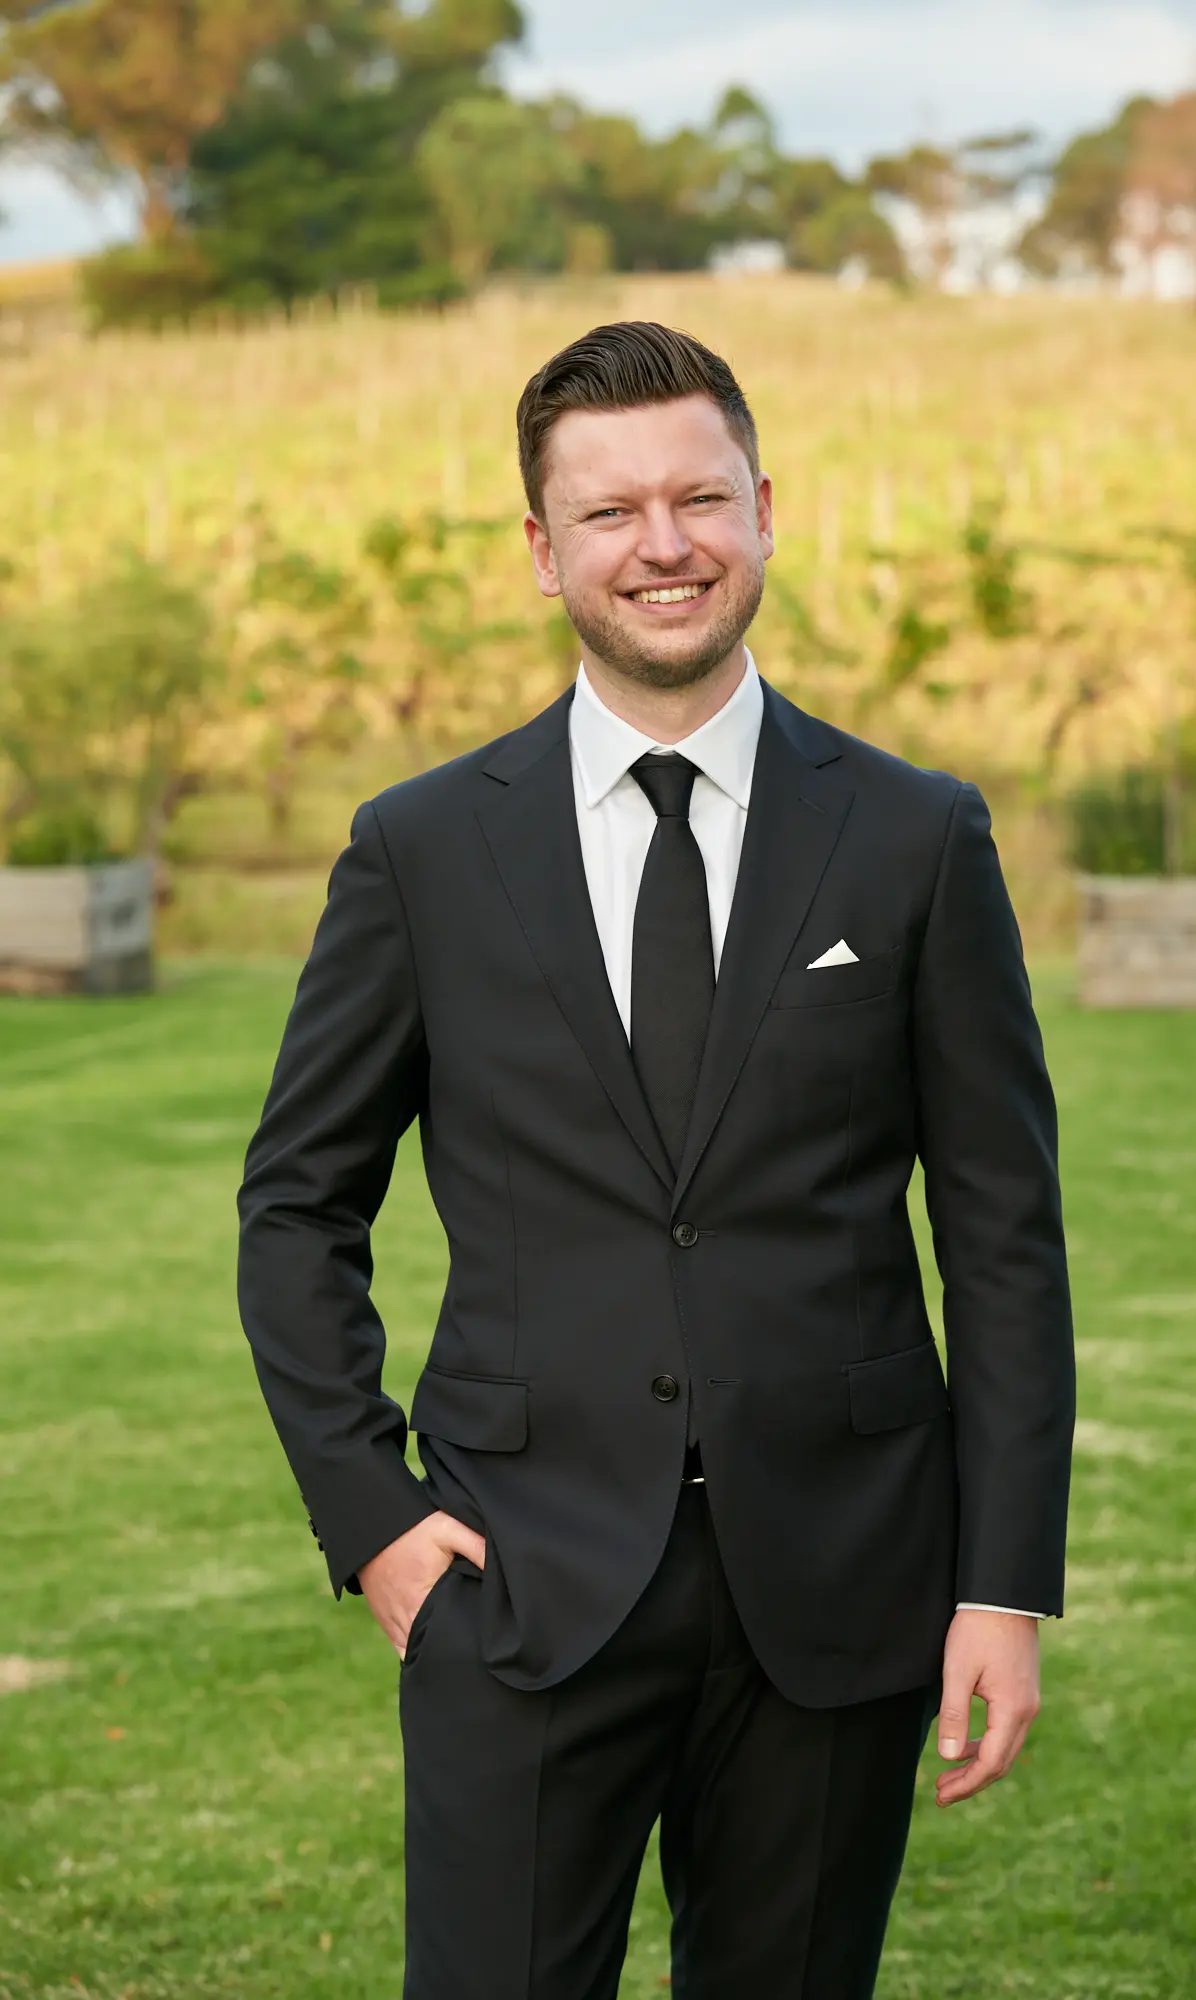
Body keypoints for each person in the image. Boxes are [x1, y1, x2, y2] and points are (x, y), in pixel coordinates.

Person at [237, 320, 1075, 2000]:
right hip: (516, 1581)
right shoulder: (421, 850)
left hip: (842, 1587)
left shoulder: (917, 836)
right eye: (610, 514)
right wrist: (374, 1517)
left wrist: (1003, 1587)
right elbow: (296, 1205)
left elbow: (1001, 1233)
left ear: (766, 510)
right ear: (543, 552)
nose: (665, 545)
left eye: (699, 498)